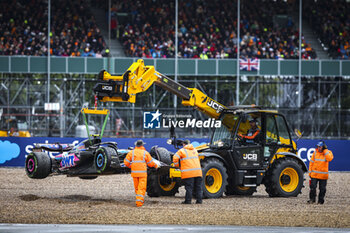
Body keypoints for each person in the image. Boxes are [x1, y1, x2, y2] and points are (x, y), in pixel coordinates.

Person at [124, 140, 160, 207]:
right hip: (142, 174)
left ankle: (138, 199)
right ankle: (139, 203)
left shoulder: (131, 152)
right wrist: (156, 166)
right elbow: (150, 163)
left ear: (136, 145)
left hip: (134, 174)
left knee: (137, 188)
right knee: (141, 188)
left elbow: (126, 163)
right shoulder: (145, 153)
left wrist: (131, 166)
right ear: (142, 145)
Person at [173, 139, 203, 204]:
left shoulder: (182, 151)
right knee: (198, 187)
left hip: (189, 173)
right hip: (198, 172)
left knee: (189, 187)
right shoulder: (195, 150)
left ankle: (188, 201)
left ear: (184, 144)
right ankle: (199, 200)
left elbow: (175, 158)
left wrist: (177, 166)